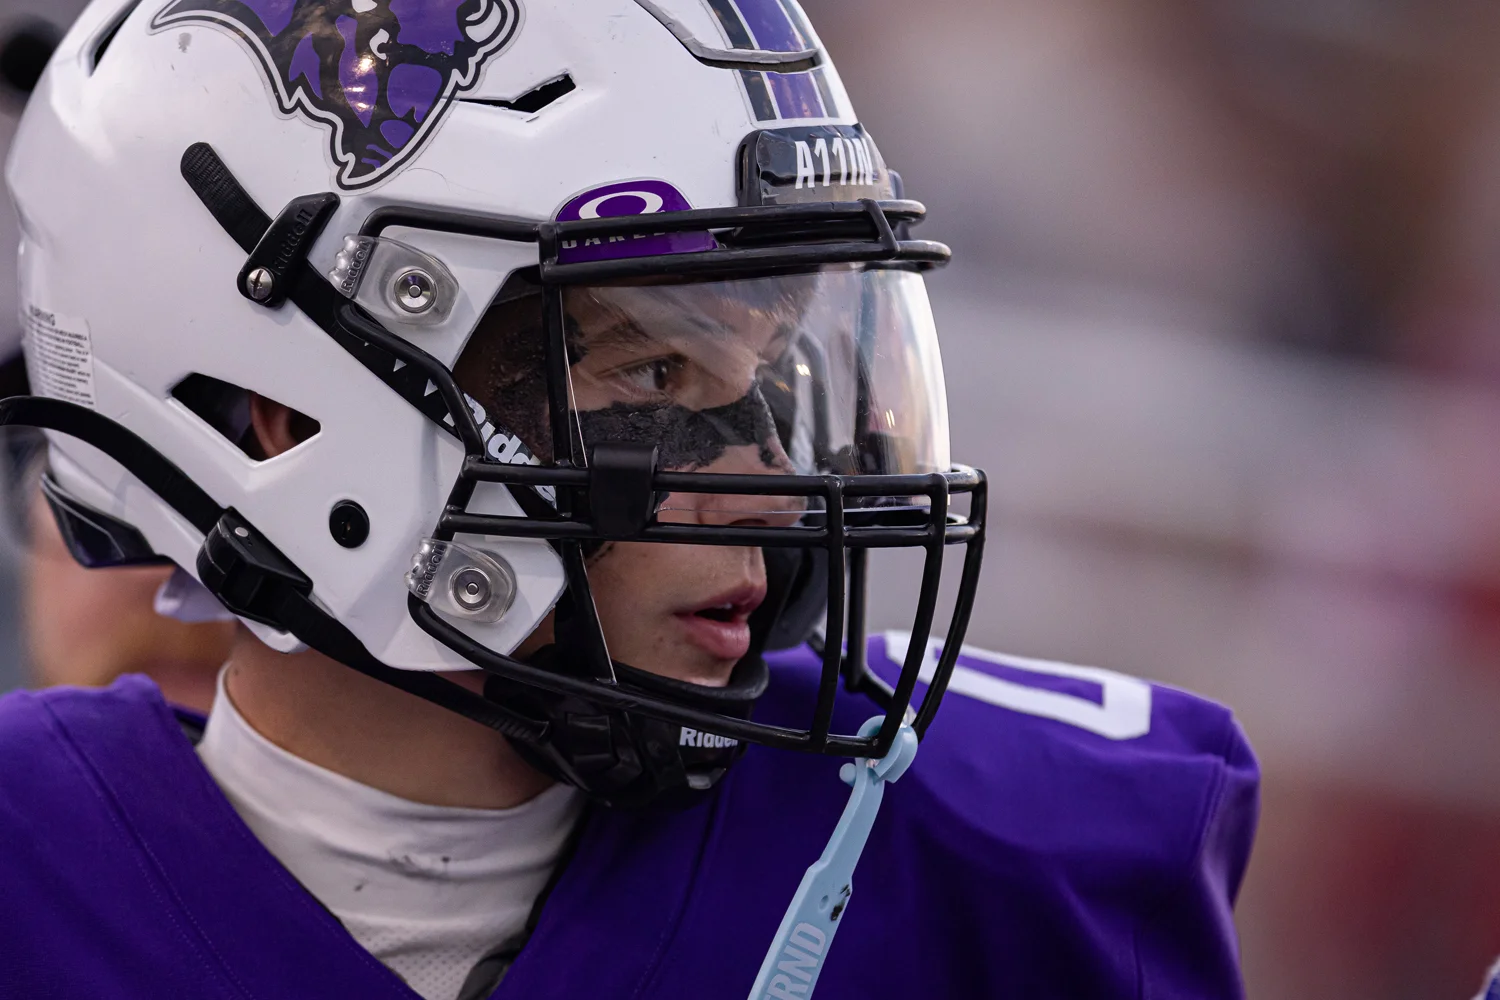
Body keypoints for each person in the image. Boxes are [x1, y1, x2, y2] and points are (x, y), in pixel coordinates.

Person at [0, 1, 1258, 998]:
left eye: (766, 380)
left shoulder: (997, 859)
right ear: (283, 420)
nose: (768, 485)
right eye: (656, 372)